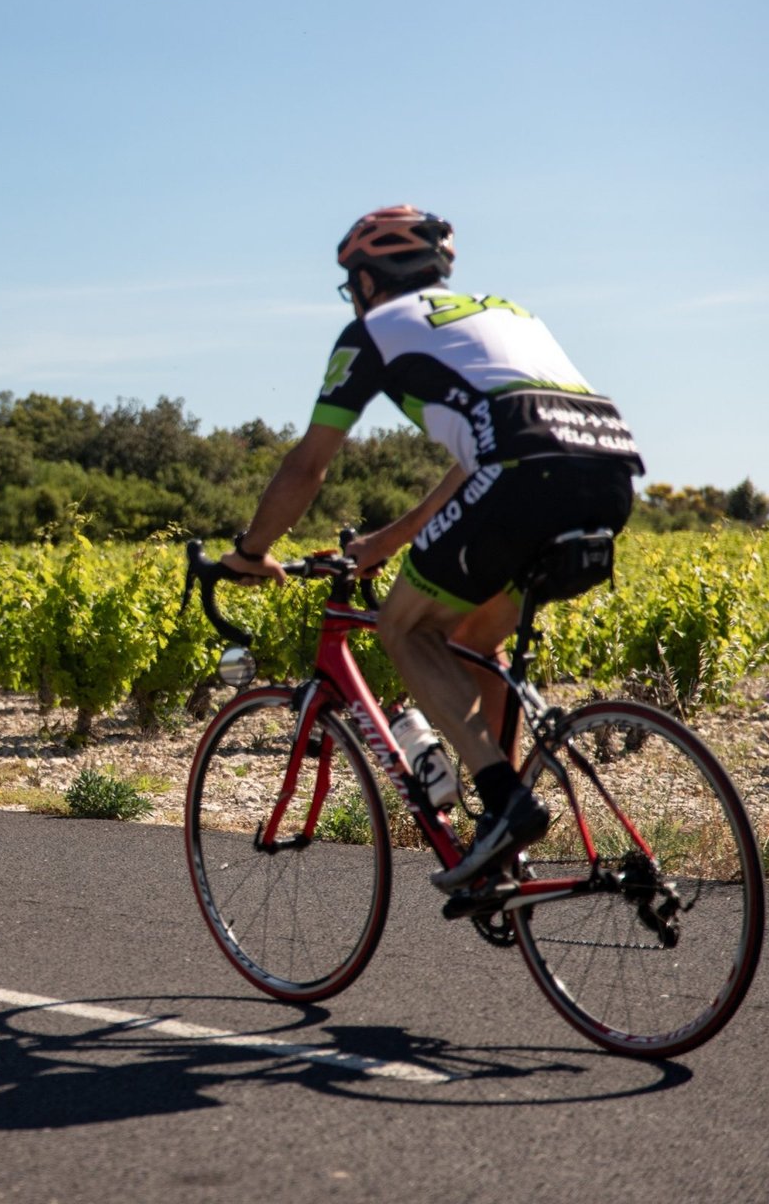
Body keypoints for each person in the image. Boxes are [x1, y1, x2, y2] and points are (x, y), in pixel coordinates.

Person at [220, 207, 644, 891]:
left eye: (351, 285)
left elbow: (308, 464)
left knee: (404, 625)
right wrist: (388, 541)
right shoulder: (505, 311)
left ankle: (505, 803)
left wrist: (252, 550)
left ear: (366, 280)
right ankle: (504, 833)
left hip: (522, 473)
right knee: (474, 639)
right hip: (611, 472)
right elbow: (479, 454)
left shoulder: (373, 330)